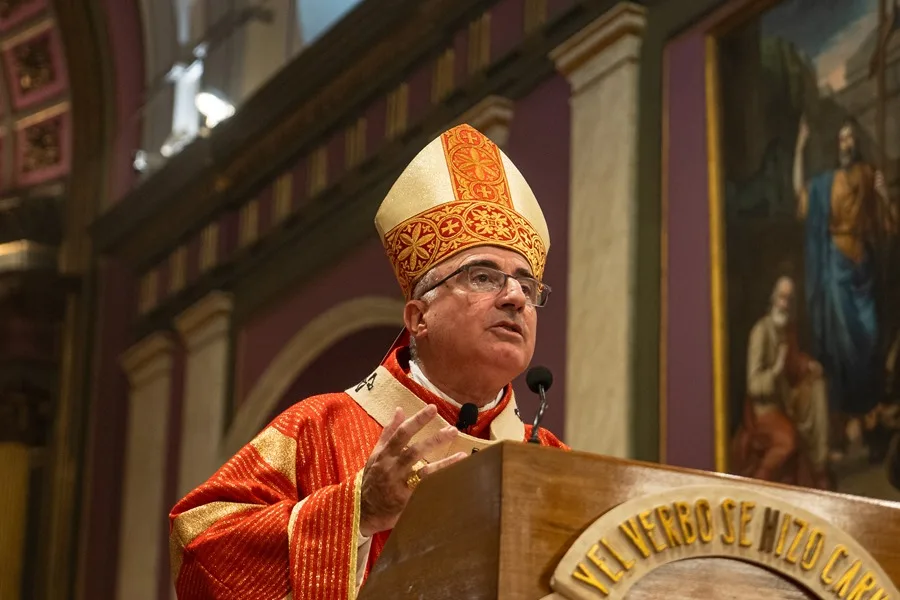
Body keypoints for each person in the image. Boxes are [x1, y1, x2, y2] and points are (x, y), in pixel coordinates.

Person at [168, 124, 567, 599]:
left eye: (527, 285)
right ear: (419, 317)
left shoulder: (549, 457)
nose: (514, 298)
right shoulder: (320, 428)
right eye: (484, 276)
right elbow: (200, 542)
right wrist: (358, 509)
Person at [793, 116, 896, 421]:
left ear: (856, 143)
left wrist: (884, 195)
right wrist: (799, 149)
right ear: (836, 146)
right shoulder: (825, 184)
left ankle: (869, 405)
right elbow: (800, 196)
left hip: (862, 263)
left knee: (871, 332)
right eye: (841, 139)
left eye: (850, 138)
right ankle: (850, 414)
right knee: (843, 341)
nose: (846, 143)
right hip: (836, 265)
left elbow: (887, 223)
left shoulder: (867, 174)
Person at [732, 276, 831, 489]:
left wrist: (808, 365)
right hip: (764, 409)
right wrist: (775, 371)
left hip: (785, 401)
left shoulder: (788, 329)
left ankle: (819, 463)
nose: (785, 303)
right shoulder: (761, 331)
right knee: (788, 441)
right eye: (782, 297)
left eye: (790, 299)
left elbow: (793, 363)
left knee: (817, 387)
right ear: (773, 298)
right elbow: (754, 384)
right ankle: (758, 485)